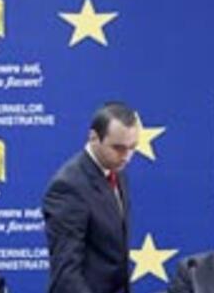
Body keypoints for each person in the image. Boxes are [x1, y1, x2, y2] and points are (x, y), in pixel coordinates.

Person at [42, 101, 140, 293]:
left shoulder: (117, 172)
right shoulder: (68, 187)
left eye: (132, 148)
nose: (127, 157)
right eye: (118, 148)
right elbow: (66, 273)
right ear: (94, 137)